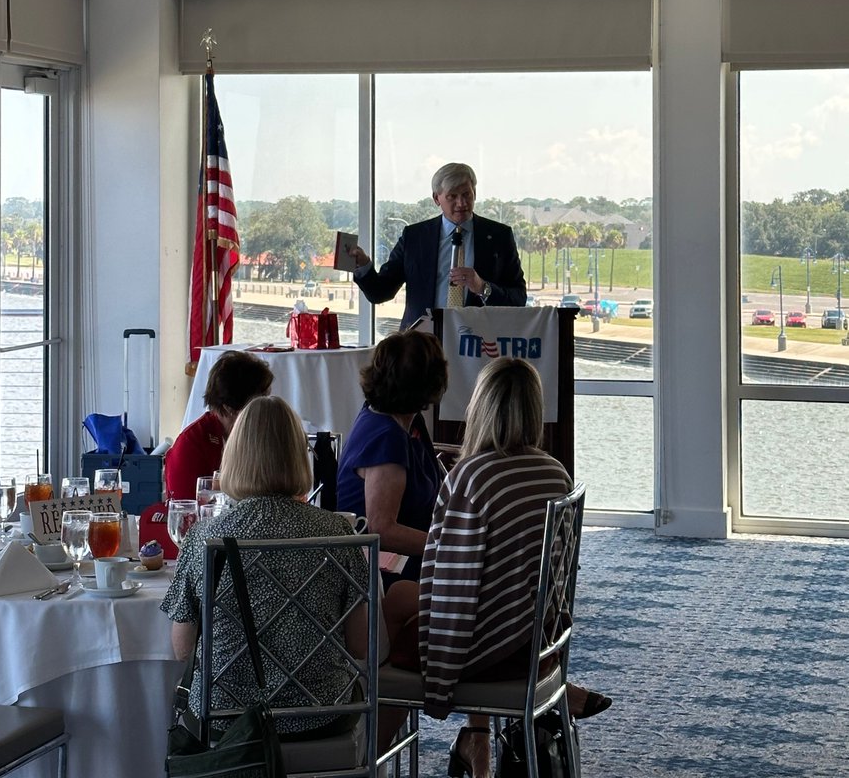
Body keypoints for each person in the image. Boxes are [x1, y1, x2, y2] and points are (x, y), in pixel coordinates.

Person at [385, 357, 611, 777]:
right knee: (408, 599)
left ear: (480, 407)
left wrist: (439, 687)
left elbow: (453, 584)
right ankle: (479, 739)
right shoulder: (555, 473)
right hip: (537, 640)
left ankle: (368, 757)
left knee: (384, 624)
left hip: (491, 652)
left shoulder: (472, 478)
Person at [160, 395, 368, 738]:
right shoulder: (337, 532)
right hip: (321, 711)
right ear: (299, 456)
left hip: (226, 718)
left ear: (235, 457)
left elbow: (183, 649)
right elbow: (360, 645)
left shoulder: (204, 537)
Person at [350, 162, 526, 330]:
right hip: (424, 346)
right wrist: (364, 266)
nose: (461, 203)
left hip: (479, 346)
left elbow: (518, 299)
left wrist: (482, 288)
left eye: (467, 194)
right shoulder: (414, 237)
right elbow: (381, 292)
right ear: (436, 198)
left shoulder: (499, 236)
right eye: (452, 196)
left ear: (475, 193)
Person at [336, 331, 447, 584]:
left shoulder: (400, 421)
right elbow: (382, 531)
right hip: (384, 573)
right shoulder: (386, 437)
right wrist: (449, 548)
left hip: (408, 560)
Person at [164, 350, 273, 499]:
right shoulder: (191, 445)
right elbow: (186, 510)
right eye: (259, 401)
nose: (265, 408)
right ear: (230, 408)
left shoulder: (263, 435)